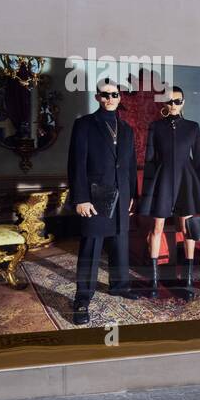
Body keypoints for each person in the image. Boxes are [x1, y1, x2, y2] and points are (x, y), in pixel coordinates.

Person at [67, 79, 139, 325]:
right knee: (91, 247)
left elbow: (130, 166)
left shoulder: (127, 129)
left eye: (114, 94)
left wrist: (132, 196)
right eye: (105, 95)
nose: (110, 99)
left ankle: (120, 285)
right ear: (98, 97)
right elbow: (76, 164)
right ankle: (82, 298)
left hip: (122, 196)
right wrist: (81, 198)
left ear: (120, 97)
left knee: (121, 242)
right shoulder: (84, 125)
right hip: (94, 196)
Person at [138, 86, 200, 298]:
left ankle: (187, 281)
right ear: (164, 103)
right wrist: (147, 191)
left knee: (187, 229)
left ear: (183, 102)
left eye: (177, 101)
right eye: (170, 101)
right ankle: (154, 281)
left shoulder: (193, 127)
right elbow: (149, 161)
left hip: (186, 181)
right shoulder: (155, 127)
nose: (173, 105)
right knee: (157, 227)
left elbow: (199, 162)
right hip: (162, 180)